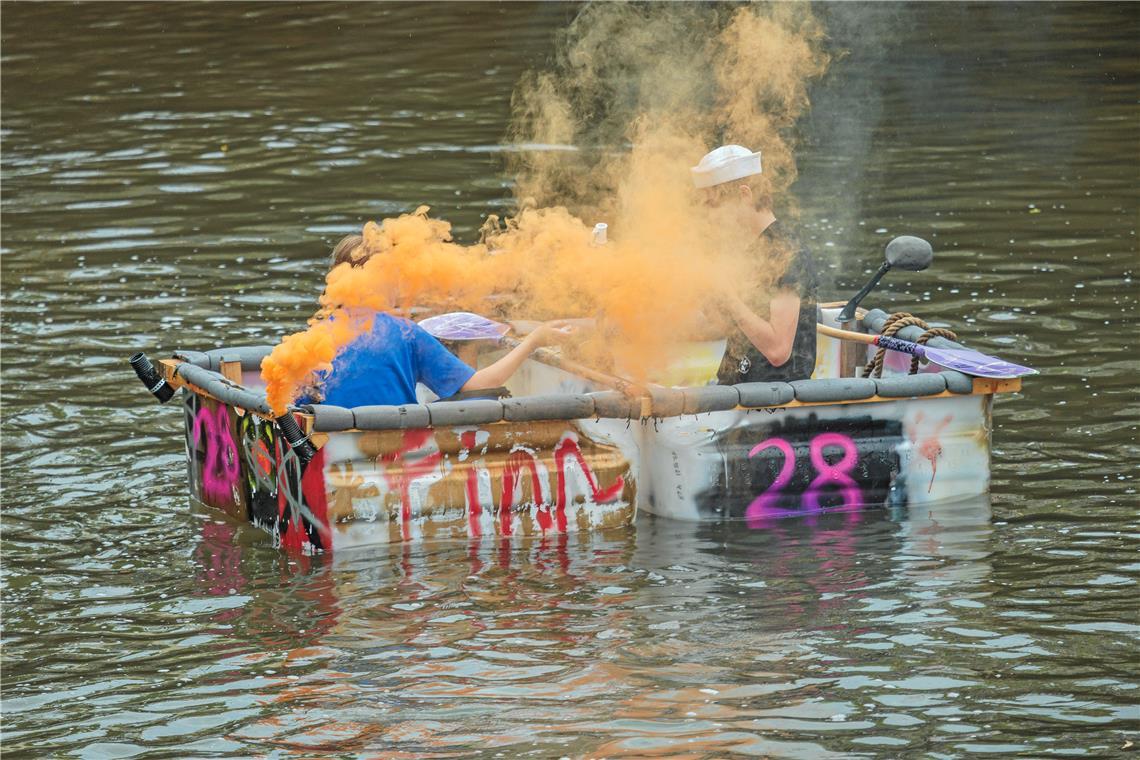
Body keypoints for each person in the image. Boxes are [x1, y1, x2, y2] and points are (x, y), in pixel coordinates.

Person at [310, 234, 575, 407]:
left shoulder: (311, 338)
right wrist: (534, 340)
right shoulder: (406, 334)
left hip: (327, 457)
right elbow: (480, 385)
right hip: (397, 456)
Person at [691, 144, 819, 384]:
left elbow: (778, 351)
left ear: (744, 195)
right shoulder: (744, 248)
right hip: (732, 391)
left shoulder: (787, 252)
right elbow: (731, 326)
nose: (709, 216)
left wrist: (726, 294)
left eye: (713, 205)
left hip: (771, 401)